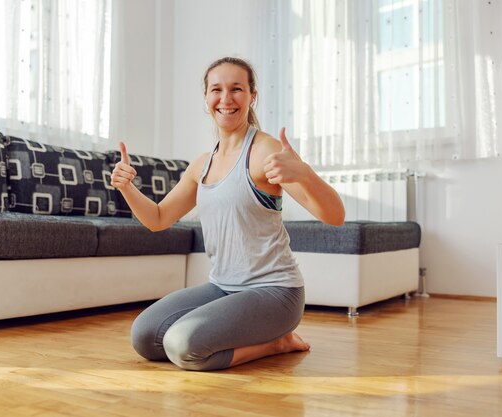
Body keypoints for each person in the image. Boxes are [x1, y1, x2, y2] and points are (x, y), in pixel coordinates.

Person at [111, 56, 345, 371]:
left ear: (252, 96)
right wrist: (126, 187)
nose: (226, 99)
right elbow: (157, 219)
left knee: (182, 346)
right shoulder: (201, 164)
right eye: (216, 89)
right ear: (207, 99)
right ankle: (265, 338)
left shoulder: (265, 152)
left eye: (236, 89)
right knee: (145, 336)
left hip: (276, 292)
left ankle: (277, 341)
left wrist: (304, 173)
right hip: (223, 287)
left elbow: (335, 216)